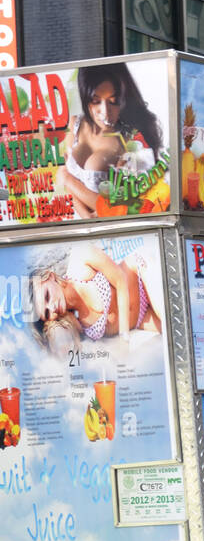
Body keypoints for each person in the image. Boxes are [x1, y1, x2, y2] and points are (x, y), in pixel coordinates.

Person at [57, 64, 164, 219]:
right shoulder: (75, 124)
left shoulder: (131, 143)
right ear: (85, 98)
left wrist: (68, 180)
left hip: (113, 235)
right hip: (73, 227)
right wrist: (85, 214)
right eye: (95, 101)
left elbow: (121, 208)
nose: (105, 112)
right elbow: (61, 178)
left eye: (113, 102)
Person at [30, 242, 163, 356]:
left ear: (50, 276)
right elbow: (64, 350)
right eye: (47, 313)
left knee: (170, 322)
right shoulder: (74, 324)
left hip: (141, 275)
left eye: (47, 296)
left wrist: (124, 336)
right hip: (141, 318)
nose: (52, 307)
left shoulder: (80, 261)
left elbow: (120, 279)